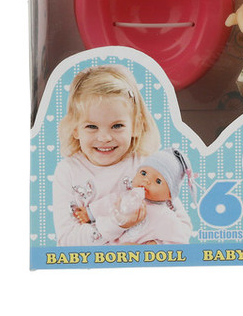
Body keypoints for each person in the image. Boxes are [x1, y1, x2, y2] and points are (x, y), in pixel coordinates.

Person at [52, 65, 160, 246]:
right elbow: (68, 241)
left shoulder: (145, 166)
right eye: (91, 127)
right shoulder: (68, 172)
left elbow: (176, 222)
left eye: (117, 126)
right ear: (75, 129)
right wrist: (118, 223)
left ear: (136, 126)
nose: (104, 138)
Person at [73, 149, 194, 245]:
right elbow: (109, 203)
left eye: (158, 181)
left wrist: (154, 245)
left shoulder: (166, 217)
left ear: (169, 195)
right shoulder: (127, 196)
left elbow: (179, 241)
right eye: (143, 173)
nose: (146, 181)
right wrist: (89, 213)